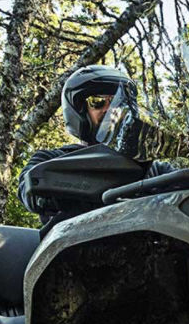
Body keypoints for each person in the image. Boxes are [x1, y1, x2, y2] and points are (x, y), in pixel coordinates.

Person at [19, 64, 171, 227]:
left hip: (148, 243)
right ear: (80, 111)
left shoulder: (155, 169)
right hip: (76, 242)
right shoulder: (50, 159)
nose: (109, 109)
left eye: (118, 102)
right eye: (98, 102)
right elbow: (29, 190)